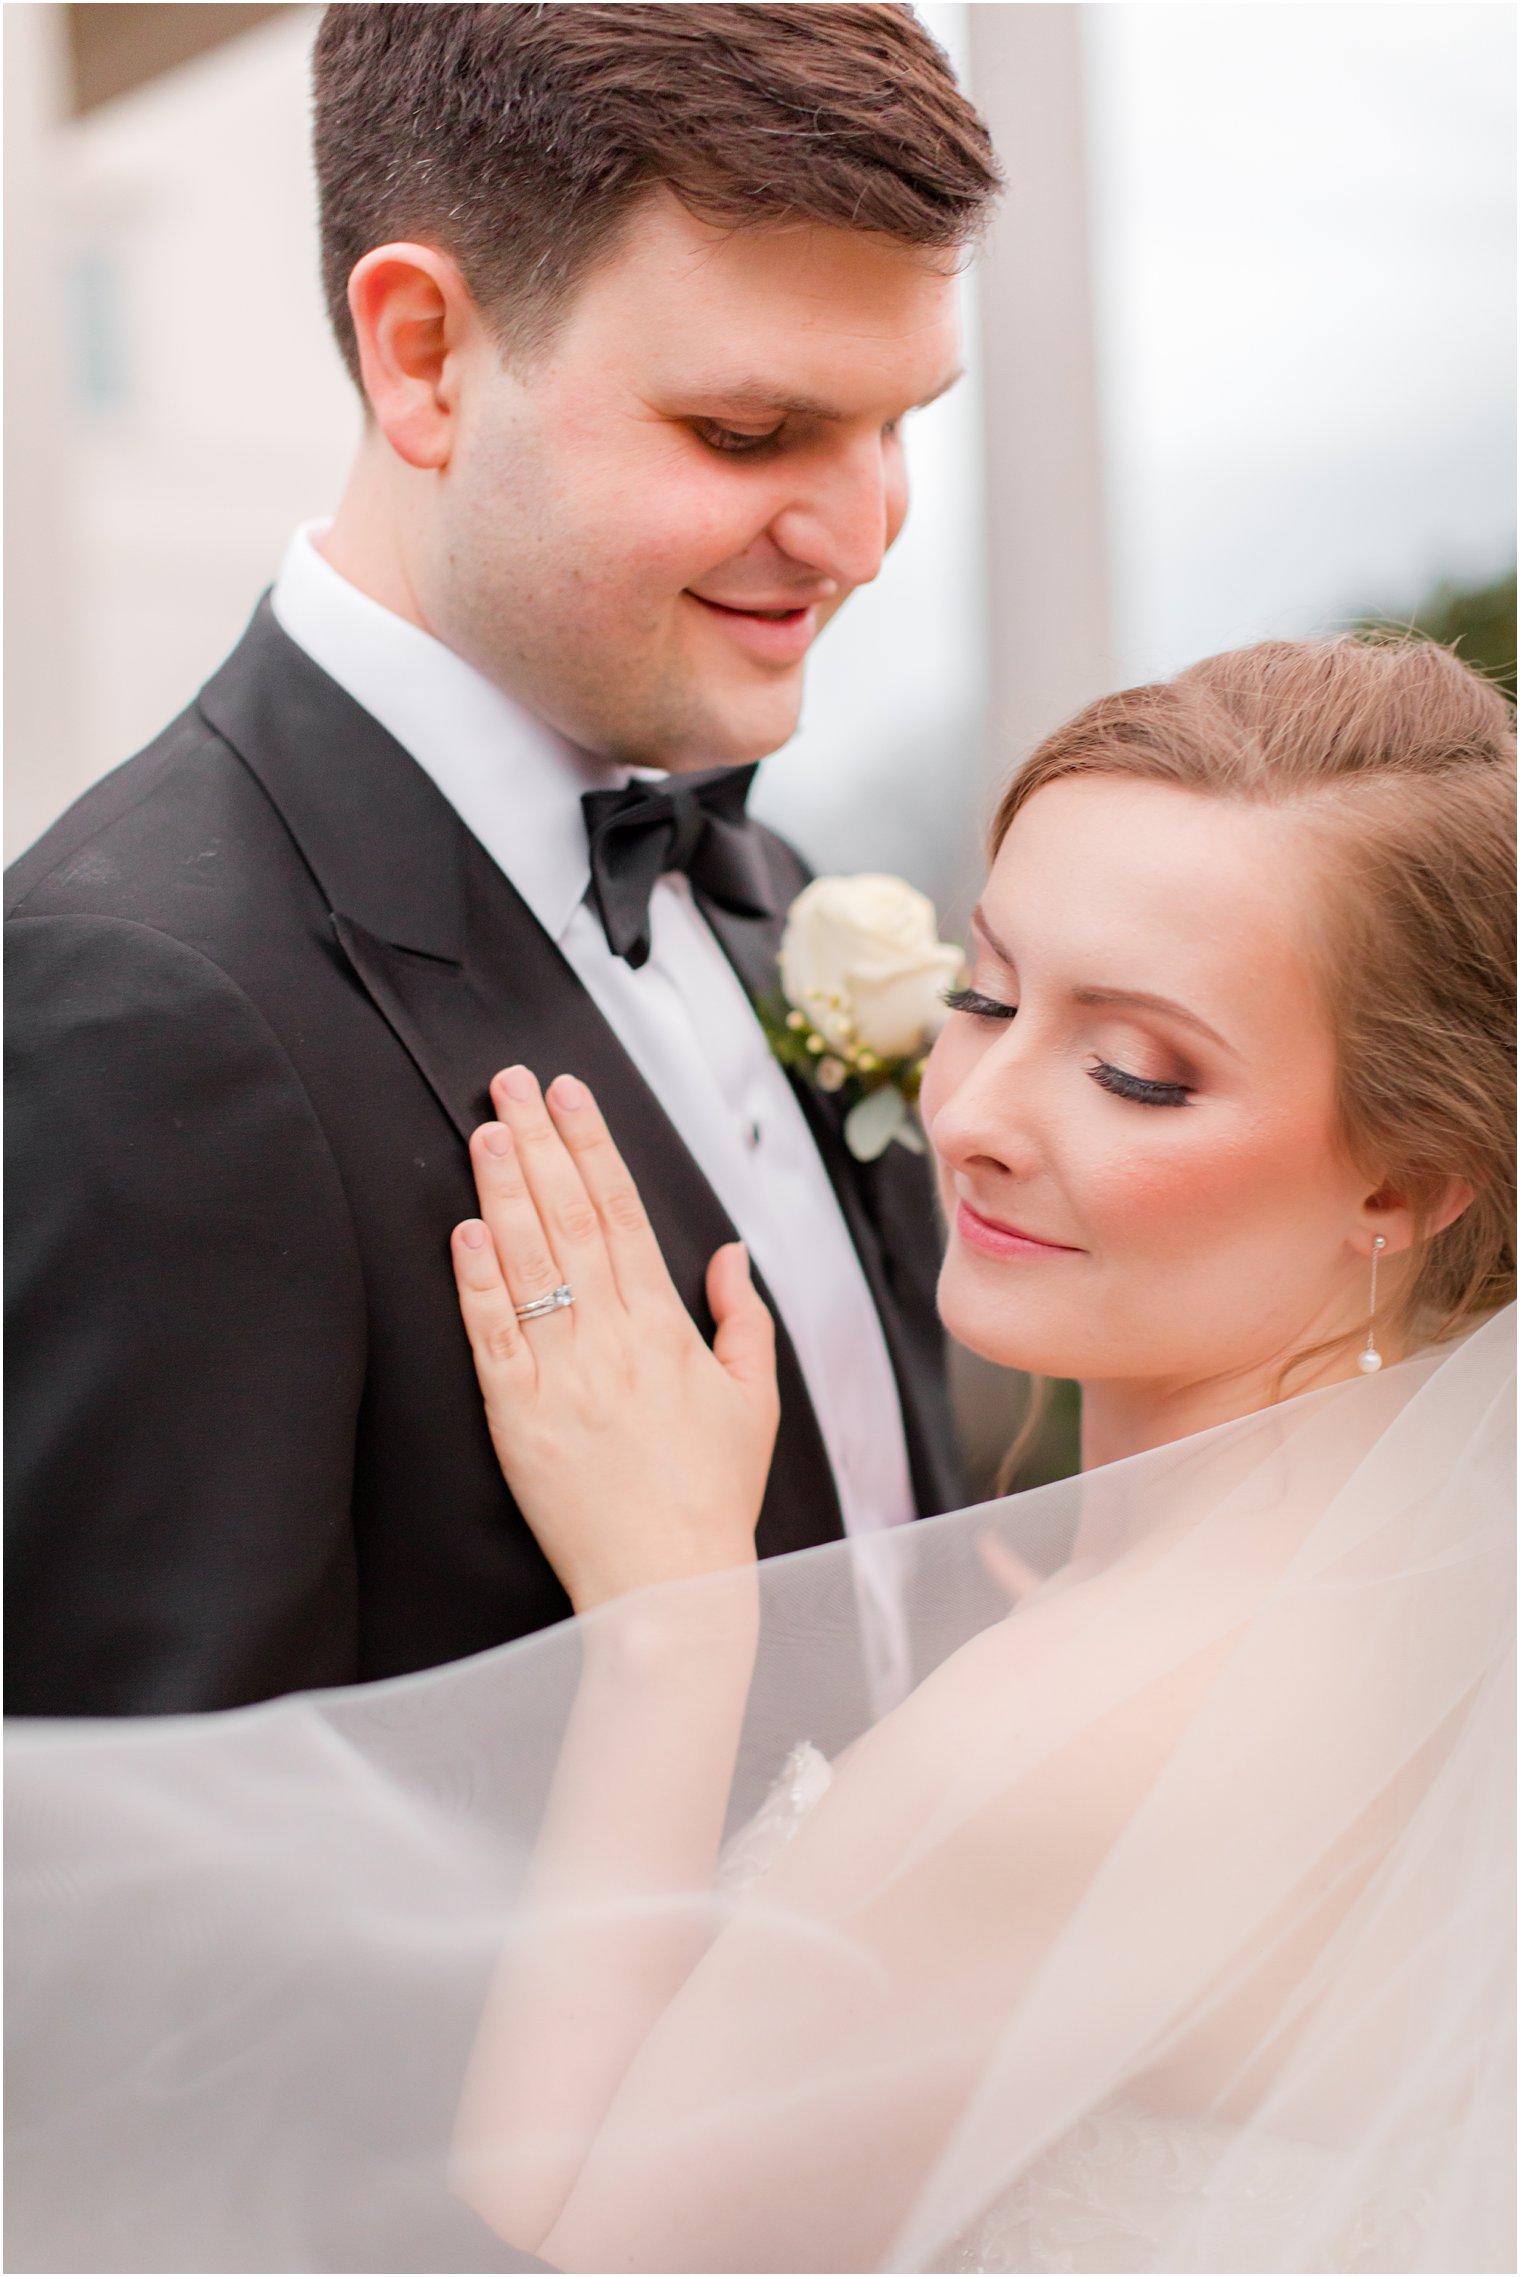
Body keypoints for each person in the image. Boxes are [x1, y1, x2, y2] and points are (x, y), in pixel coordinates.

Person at [7, 633, 1514, 2274]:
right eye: (986, 992)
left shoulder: (1054, 1757)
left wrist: (670, 1620)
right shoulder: (1417, 1599)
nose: (976, 1110)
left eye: (1136, 1072)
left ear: (1410, 1179)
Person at [3, 5, 998, 1717]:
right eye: (750, 433)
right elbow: (168, 1933)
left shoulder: (768, 880)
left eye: (900, 425)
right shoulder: (144, 1009)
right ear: (423, 355)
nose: (862, 536)